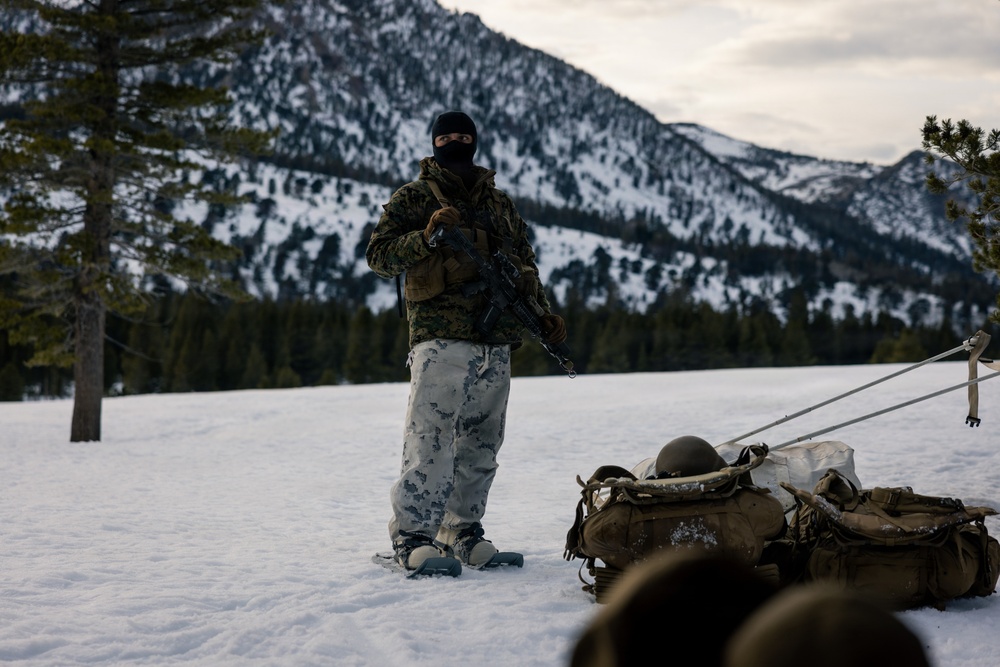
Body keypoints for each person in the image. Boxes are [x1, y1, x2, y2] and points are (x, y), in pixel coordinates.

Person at [366, 110, 567, 571]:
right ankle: (413, 537)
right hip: (440, 337)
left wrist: (544, 314)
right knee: (430, 436)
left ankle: (461, 530)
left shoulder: (500, 204)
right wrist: (428, 235)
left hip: (495, 341)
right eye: (447, 136)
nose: (456, 142)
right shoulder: (414, 197)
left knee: (481, 440)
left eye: (464, 136)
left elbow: (524, 265)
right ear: (434, 142)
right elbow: (379, 255)